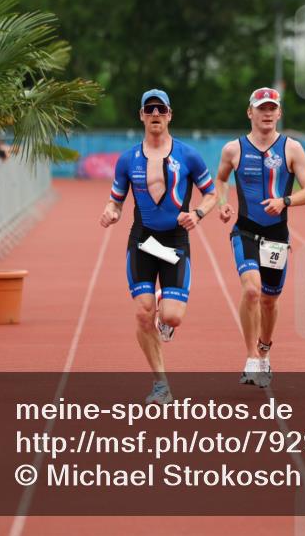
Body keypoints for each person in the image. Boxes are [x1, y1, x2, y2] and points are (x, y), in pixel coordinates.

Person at [99, 89, 217, 405]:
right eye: (149, 109)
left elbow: (211, 193)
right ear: (141, 115)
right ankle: (161, 384)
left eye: (160, 110)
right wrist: (111, 212)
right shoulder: (128, 159)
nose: (155, 114)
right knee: (143, 313)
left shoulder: (188, 155)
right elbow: (115, 200)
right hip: (143, 240)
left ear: (169, 115)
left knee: (172, 317)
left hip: (175, 241)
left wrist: (198, 214)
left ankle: (165, 309)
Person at [215, 87, 305, 387]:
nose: (267, 113)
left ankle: (264, 349)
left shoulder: (292, 149)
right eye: (262, 108)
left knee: (270, 301)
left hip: (276, 236)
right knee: (251, 291)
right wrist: (223, 203)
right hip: (245, 230)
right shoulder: (233, 149)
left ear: (279, 113)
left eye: (272, 108)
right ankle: (251, 358)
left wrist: (284, 201)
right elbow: (220, 179)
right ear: (250, 112)